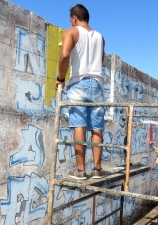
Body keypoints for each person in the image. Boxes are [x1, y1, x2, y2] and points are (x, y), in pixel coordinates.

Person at [54, 4, 105, 180]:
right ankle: (97, 170)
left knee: (79, 126)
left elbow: (65, 55)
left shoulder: (71, 32)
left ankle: (81, 170)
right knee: (97, 127)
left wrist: (61, 78)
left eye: (71, 20)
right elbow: (101, 59)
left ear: (74, 18)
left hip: (79, 83)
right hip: (97, 84)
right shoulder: (100, 37)